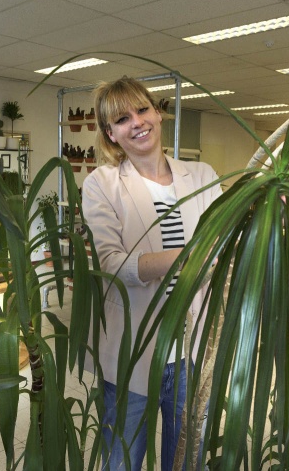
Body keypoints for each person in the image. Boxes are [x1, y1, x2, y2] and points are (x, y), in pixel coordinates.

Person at [81, 77, 221, 471]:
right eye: (122, 118)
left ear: (157, 114)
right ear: (110, 133)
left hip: (192, 351)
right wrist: (189, 256)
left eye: (142, 109)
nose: (137, 122)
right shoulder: (101, 185)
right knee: (121, 460)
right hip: (132, 350)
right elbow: (111, 262)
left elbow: (228, 236)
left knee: (185, 461)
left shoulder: (203, 175)